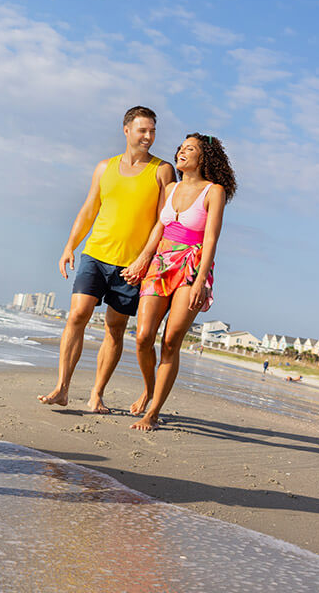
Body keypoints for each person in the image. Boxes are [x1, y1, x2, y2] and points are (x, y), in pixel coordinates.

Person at [37, 107, 174, 413]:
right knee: (77, 315)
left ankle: (96, 394)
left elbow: (163, 221)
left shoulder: (162, 170)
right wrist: (70, 246)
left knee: (115, 328)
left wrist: (144, 259)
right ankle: (62, 387)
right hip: (96, 254)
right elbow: (89, 209)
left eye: (152, 131)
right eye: (142, 130)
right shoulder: (104, 167)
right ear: (126, 130)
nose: (148, 136)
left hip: (132, 265)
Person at [123, 133, 236, 431]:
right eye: (181, 147)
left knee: (171, 341)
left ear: (203, 157)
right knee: (143, 337)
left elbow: (211, 239)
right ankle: (149, 389)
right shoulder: (171, 188)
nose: (182, 152)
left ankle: (153, 412)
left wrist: (201, 280)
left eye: (190, 149)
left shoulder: (214, 191)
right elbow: (159, 228)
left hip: (192, 265)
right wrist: (142, 260)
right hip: (161, 263)